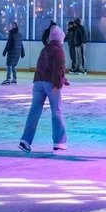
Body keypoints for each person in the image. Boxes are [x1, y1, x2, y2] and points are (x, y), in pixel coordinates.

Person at [19, 23, 69, 153]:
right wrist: (58, 84)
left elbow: (44, 67)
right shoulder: (59, 50)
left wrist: (63, 79)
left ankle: (25, 140)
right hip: (51, 84)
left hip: (38, 82)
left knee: (34, 112)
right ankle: (59, 142)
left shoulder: (45, 49)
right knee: (56, 111)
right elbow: (58, 68)